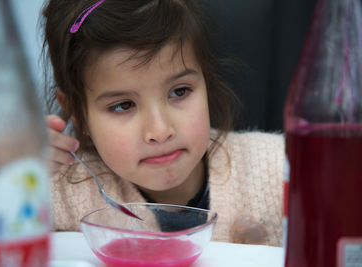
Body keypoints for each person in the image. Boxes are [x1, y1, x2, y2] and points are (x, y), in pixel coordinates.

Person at [42, 0, 284, 246]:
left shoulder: (281, 168)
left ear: (205, 83)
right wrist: (16, 174)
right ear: (76, 113)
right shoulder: (54, 191)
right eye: (123, 105)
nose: (160, 131)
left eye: (179, 91)